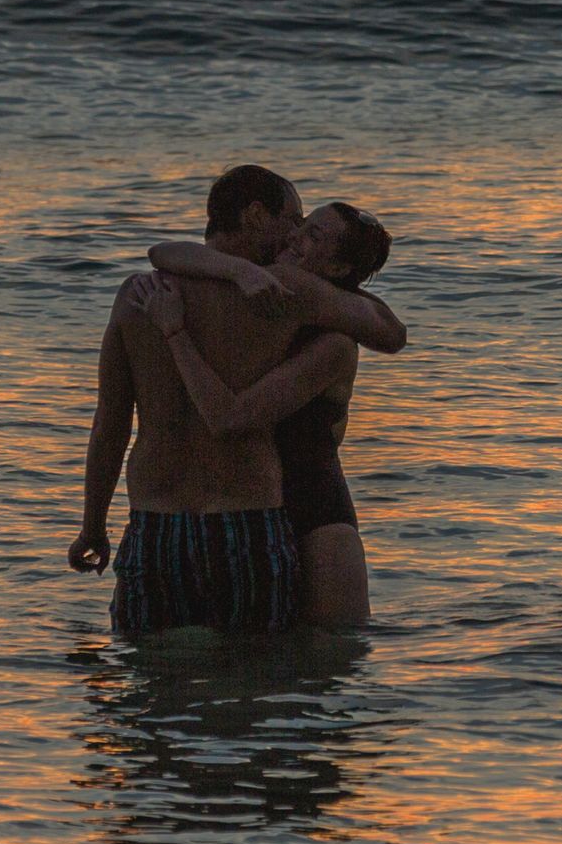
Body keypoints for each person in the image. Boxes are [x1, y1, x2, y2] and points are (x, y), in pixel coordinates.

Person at [72, 164, 317, 638]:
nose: (296, 234)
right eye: (293, 218)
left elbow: (110, 425)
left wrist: (93, 527)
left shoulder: (136, 296)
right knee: (256, 683)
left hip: (156, 526)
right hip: (247, 523)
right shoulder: (282, 298)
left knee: (150, 692)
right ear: (255, 216)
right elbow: (386, 331)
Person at [138, 199, 401, 628]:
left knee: (325, 670)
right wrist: (239, 270)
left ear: (336, 270)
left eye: (314, 235)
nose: (296, 236)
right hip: (259, 517)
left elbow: (230, 418)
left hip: (318, 518)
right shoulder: (268, 288)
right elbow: (162, 253)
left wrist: (174, 332)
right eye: (301, 224)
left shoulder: (331, 329)